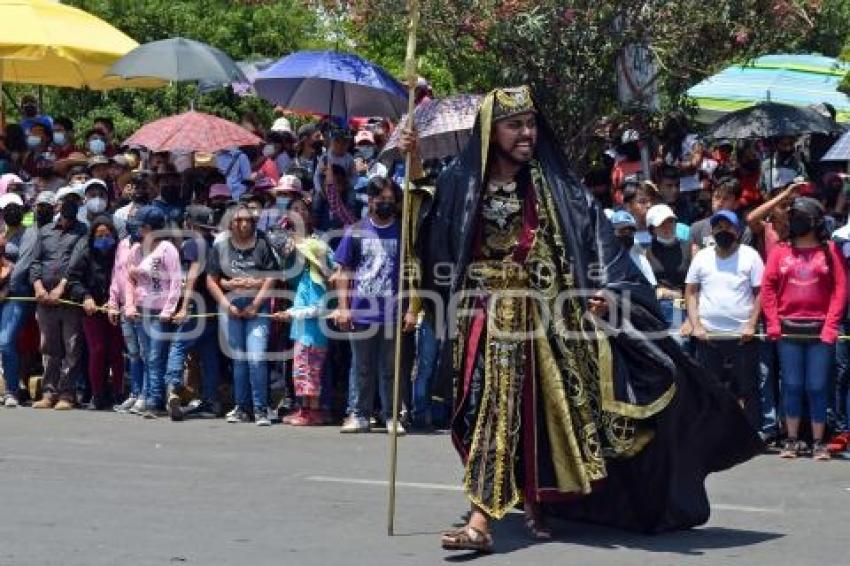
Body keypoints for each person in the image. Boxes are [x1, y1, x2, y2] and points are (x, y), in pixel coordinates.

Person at [411, 86, 759, 553]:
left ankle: (480, 521)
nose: (526, 133)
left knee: (501, 409)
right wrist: (412, 171)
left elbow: (595, 245)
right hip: (475, 317)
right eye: (515, 125)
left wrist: (608, 294)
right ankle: (532, 502)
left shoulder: (554, 187)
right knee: (489, 414)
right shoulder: (460, 180)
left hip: (536, 319)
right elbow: (432, 238)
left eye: (530, 124)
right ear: (491, 130)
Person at [761, 197, 847, 461]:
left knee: (818, 386)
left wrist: (831, 324)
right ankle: (791, 439)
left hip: (820, 329)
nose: (794, 219)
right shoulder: (780, 251)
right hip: (788, 329)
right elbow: (768, 289)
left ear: (814, 220)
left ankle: (819, 441)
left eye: (800, 215)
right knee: (792, 384)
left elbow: (841, 289)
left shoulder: (830, 251)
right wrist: (774, 322)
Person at [332, 176, 404, 435]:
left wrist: (411, 308)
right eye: (380, 199)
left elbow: (412, 273)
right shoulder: (356, 231)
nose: (385, 204)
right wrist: (343, 307)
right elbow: (343, 271)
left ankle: (391, 415)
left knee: (390, 369)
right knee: (361, 367)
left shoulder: (403, 233)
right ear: (370, 201)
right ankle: (359, 414)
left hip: (392, 312)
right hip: (361, 311)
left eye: (390, 200)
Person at [685, 210, 764, 427]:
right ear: (712, 231)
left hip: (742, 336)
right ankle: (715, 434)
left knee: (747, 387)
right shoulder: (702, 256)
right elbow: (691, 292)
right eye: (718, 227)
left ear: (737, 231)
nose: (723, 231)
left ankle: (751, 433)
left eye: (727, 227)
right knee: (711, 388)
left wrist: (751, 324)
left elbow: (760, 293)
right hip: (708, 336)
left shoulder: (751, 255)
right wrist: (696, 325)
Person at [207, 204, 278, 426]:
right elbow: (211, 280)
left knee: (256, 358)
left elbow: (271, 277)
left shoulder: (263, 245)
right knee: (239, 360)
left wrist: (256, 304)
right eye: (238, 220)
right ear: (230, 223)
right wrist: (226, 304)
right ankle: (242, 407)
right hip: (231, 306)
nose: (243, 224)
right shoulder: (221, 246)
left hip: (257, 306)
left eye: (247, 220)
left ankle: (260, 408)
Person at [274, 197, 335, 426]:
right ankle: (305, 409)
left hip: (311, 332)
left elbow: (318, 308)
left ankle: (313, 411)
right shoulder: (305, 278)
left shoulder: (316, 281)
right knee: (303, 371)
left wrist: (291, 313)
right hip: (303, 330)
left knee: (309, 371)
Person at [29, 189, 89, 410]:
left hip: (69, 298)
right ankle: (48, 392)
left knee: (72, 348)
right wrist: (38, 286)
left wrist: (61, 287)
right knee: (48, 348)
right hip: (44, 298)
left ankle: (67, 394)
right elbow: (35, 261)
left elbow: (76, 263)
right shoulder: (44, 231)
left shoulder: (82, 231)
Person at [161, 205, 222, 421]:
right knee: (208, 354)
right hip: (211, 309)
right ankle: (211, 399)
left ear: (191, 224)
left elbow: (193, 275)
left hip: (195, 307)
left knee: (178, 346)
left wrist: (184, 305)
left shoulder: (193, 244)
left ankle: (173, 389)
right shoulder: (214, 244)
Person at [122, 206, 182, 418]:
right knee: (147, 356)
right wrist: (129, 305)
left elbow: (176, 281)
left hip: (159, 313)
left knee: (157, 356)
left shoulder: (167, 249)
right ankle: (149, 396)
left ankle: (155, 400)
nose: (139, 231)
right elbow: (129, 280)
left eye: (142, 227)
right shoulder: (136, 250)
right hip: (140, 310)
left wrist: (169, 309)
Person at [67, 216, 123, 410]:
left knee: (116, 351)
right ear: (92, 237)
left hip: (115, 309)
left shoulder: (120, 255)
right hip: (92, 310)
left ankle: (118, 392)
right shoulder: (85, 254)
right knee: (97, 350)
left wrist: (115, 301)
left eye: (107, 235)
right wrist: (86, 297)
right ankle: (97, 393)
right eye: (99, 235)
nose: (103, 239)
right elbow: (73, 281)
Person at [0, 192, 29, 407]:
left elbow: (23, 266)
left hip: (16, 294)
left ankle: (11, 390)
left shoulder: (29, 234)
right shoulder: (1, 234)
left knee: (6, 341)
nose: (10, 211)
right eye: (6, 208)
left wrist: (7, 286)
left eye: (14, 207)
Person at [645, 204, 691, 340]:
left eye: (670, 221)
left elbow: (696, 283)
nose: (667, 227)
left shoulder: (688, 247)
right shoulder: (647, 252)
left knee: (681, 345)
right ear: (652, 229)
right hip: (658, 307)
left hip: (683, 304)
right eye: (661, 224)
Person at [689, 177, 742, 255]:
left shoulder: (743, 230)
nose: (719, 203)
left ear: (736, 203)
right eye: (717, 197)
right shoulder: (697, 228)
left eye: (725, 199)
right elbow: (695, 262)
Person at [611, 209, 656, 286]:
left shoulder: (641, 259)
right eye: (622, 231)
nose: (627, 235)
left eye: (630, 232)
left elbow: (651, 286)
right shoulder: (603, 257)